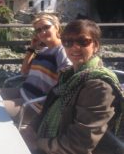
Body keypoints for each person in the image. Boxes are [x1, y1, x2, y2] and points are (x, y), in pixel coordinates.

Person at [23, 19, 124, 154]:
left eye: (82, 41)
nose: (74, 47)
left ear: (96, 46)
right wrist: (31, 128)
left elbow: (80, 144)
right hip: (50, 142)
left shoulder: (99, 87)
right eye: (68, 42)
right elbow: (48, 109)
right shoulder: (69, 76)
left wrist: (37, 143)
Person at [0, 13, 72, 123]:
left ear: (56, 27)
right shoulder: (43, 51)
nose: (42, 32)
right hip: (22, 92)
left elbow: (67, 82)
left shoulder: (61, 51)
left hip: (33, 105)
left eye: (46, 27)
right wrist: (32, 48)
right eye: (38, 30)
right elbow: (24, 71)